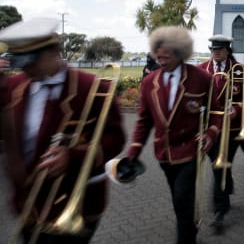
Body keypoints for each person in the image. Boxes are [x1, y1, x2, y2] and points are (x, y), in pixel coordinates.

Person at [0, 18, 126, 244]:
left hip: (74, 203)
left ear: (54, 52)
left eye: (31, 62)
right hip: (28, 203)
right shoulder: (13, 86)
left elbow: (115, 139)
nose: (25, 70)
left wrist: (74, 155)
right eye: (21, 63)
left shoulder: (94, 88)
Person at [126, 26, 223, 244]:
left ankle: (185, 238)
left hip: (190, 150)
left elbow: (216, 111)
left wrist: (210, 132)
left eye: (166, 57)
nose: (161, 61)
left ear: (180, 54)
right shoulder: (149, 82)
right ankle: (189, 228)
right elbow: (143, 121)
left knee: (181, 197)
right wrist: (133, 150)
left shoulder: (201, 78)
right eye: (157, 57)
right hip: (163, 153)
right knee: (179, 201)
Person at [199, 34, 244, 234]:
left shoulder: (240, 70)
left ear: (228, 50)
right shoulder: (202, 70)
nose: (216, 54)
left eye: (220, 50)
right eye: (213, 50)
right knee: (219, 166)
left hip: (231, 128)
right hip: (210, 129)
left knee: (221, 166)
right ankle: (224, 196)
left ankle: (220, 211)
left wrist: (237, 111)